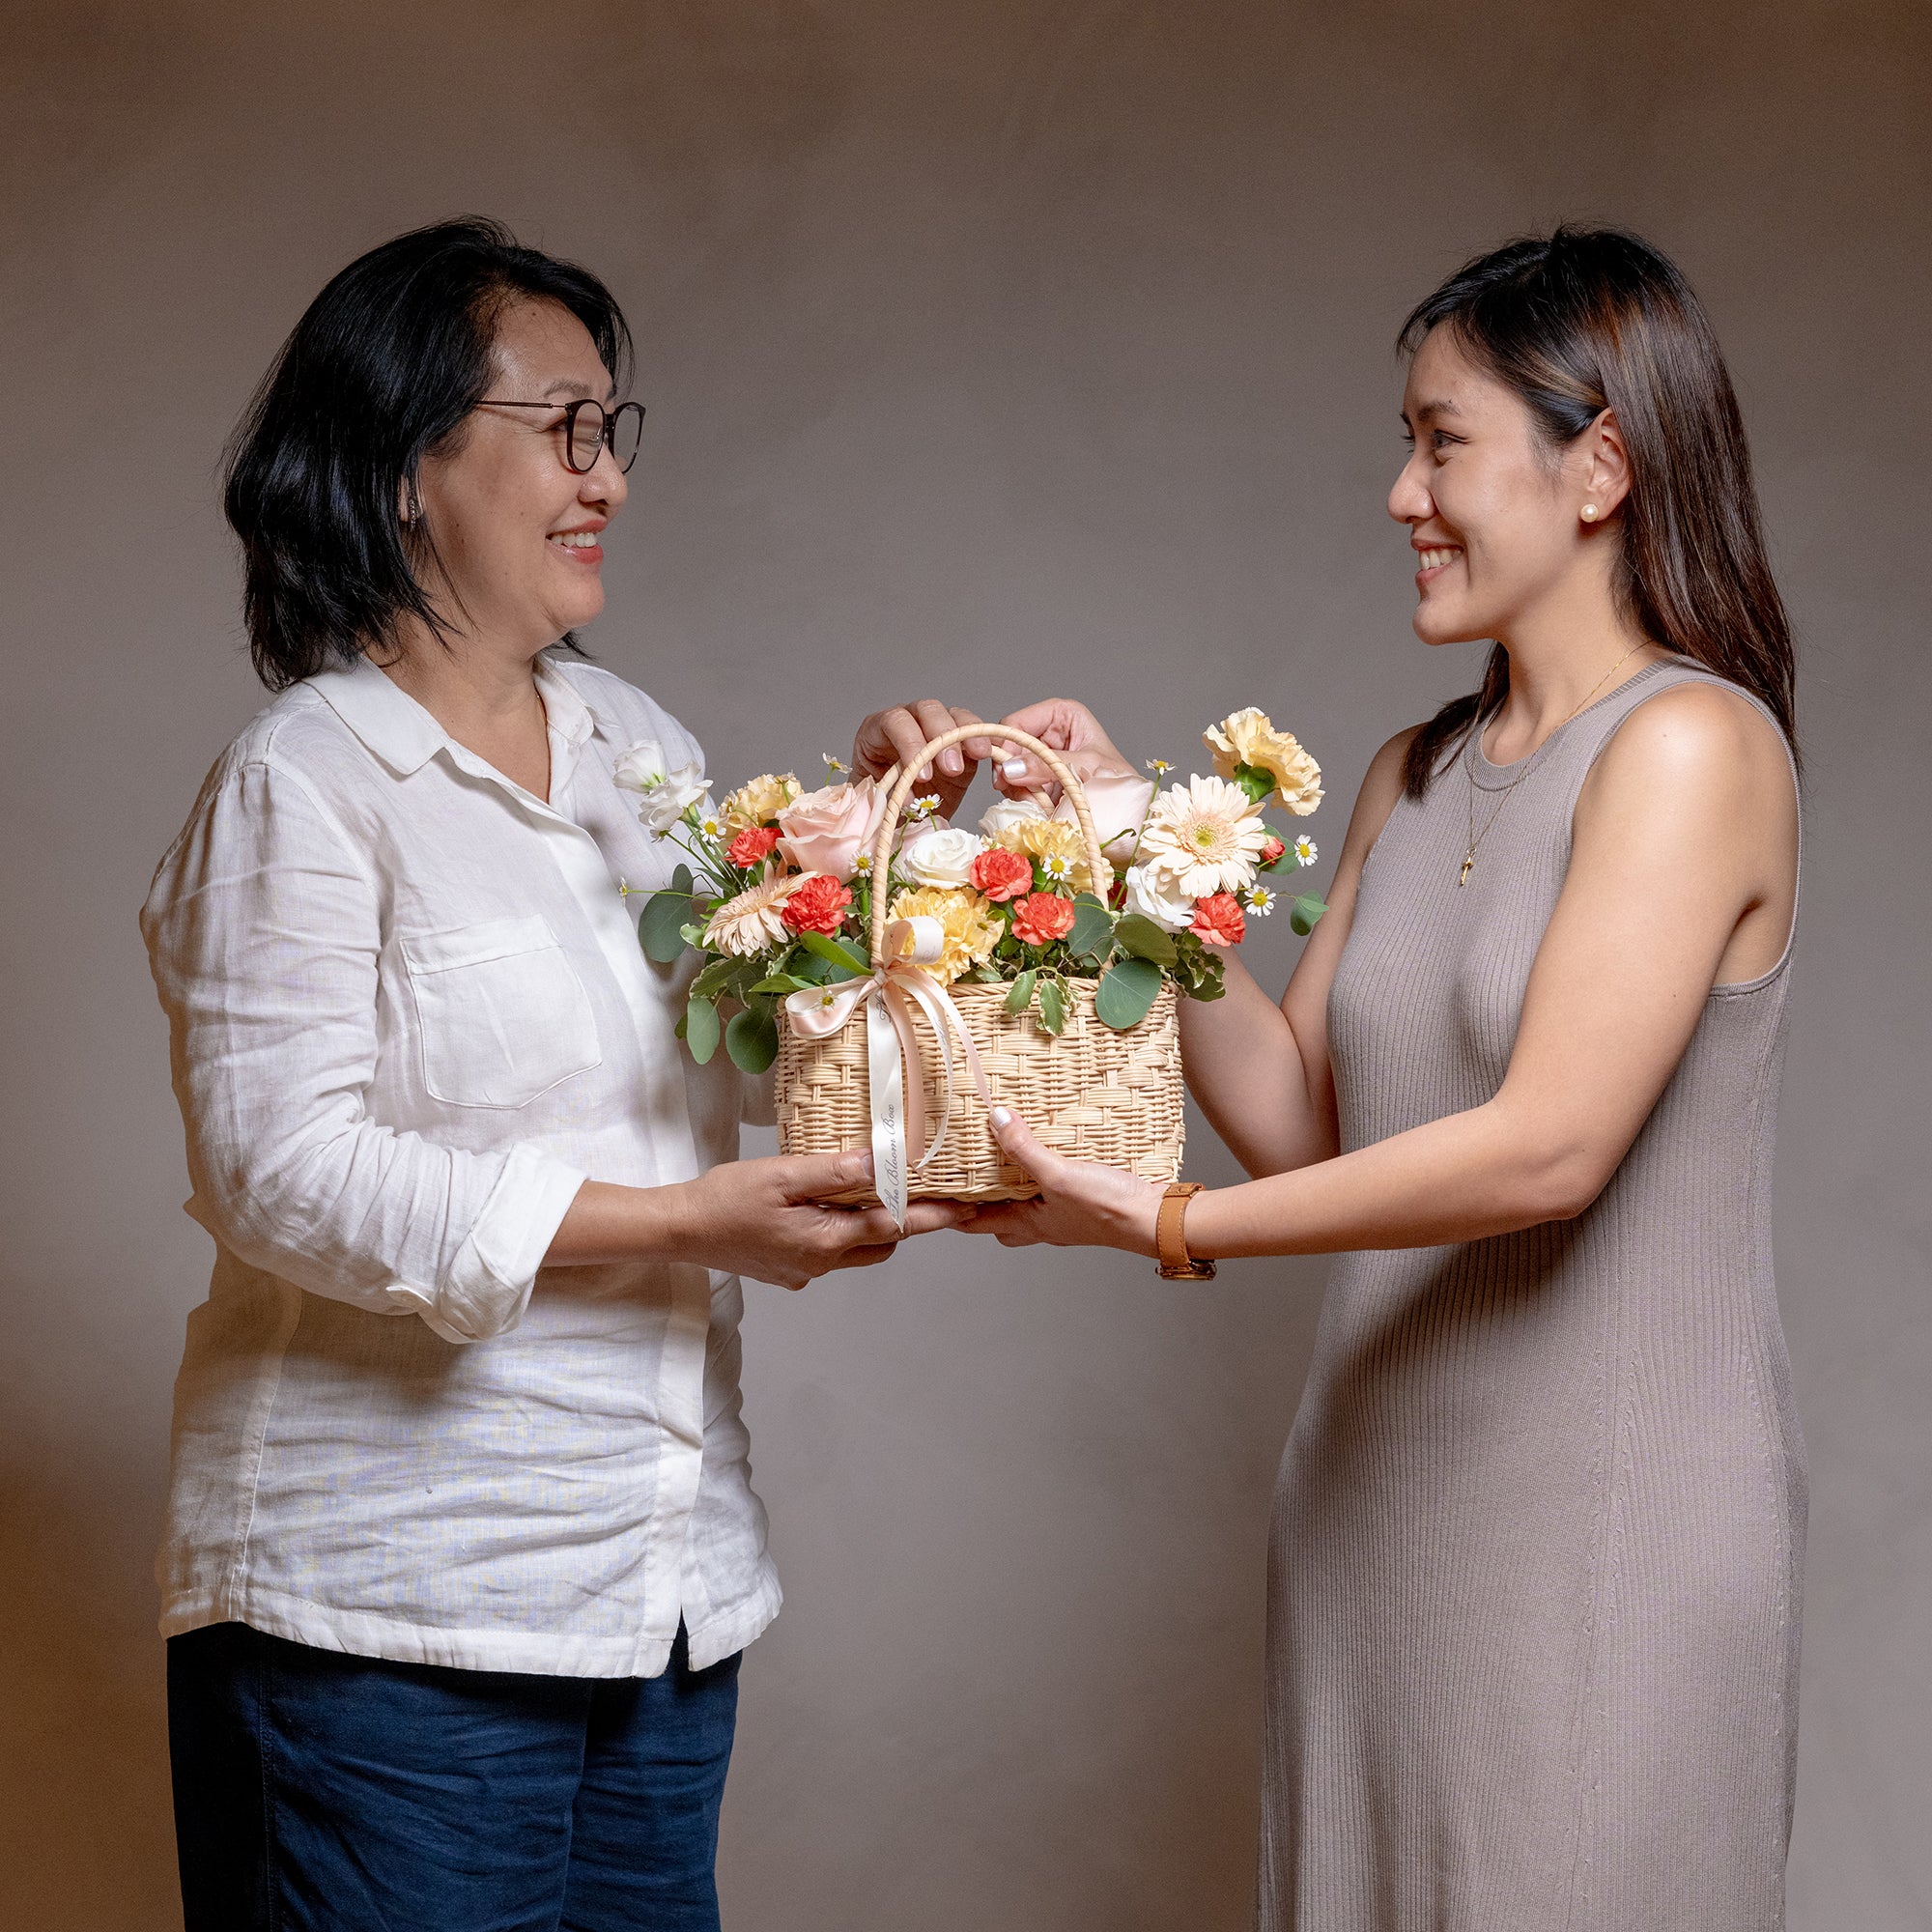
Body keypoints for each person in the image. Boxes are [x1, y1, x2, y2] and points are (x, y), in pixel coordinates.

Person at [863, 228, 1804, 1928]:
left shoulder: (1693, 746)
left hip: (1604, 1543)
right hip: (1374, 1509)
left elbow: (1547, 1152)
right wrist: (1134, 847)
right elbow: (1307, 1108)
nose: (1399, 494)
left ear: (1600, 463)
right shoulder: (1415, 768)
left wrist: (1170, 1220)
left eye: (1441, 442)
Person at [142, 218, 963, 1932]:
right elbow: (280, 1169)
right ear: (399, 469)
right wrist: (684, 1219)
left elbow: (738, 1024)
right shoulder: (306, 784)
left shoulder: (636, 750)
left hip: (656, 1593)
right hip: (386, 1615)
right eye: (560, 428)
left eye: (615, 432)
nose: (606, 479)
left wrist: (875, 854)